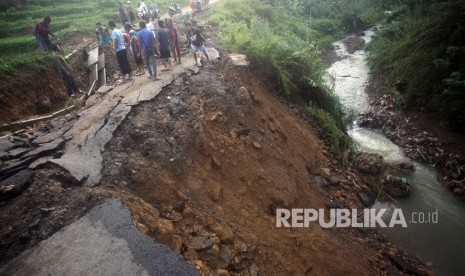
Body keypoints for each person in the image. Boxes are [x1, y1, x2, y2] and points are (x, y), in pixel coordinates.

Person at [109, 20, 132, 84]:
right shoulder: (119, 30)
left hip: (119, 50)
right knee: (126, 62)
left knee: (122, 64)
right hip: (123, 48)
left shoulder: (113, 32)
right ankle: (130, 75)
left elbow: (115, 42)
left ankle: (124, 79)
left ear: (110, 26)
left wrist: (114, 50)